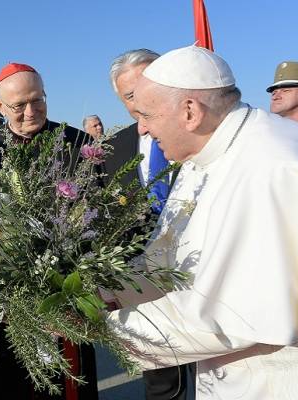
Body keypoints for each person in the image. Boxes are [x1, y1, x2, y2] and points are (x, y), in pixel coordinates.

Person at [107, 44, 298, 399]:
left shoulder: (267, 168)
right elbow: (167, 261)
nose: (144, 129)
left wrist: (99, 327)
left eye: (148, 115)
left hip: (283, 381)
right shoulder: (206, 153)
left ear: (191, 111)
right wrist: (106, 292)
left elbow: (228, 316)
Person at [0, 63, 98, 400]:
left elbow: (94, 211)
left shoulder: (73, 140)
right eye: (19, 105)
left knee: (66, 381)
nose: (30, 111)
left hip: (63, 289)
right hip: (4, 296)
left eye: (38, 100)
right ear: (0, 105)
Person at [104, 48, 188, 399]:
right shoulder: (112, 149)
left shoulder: (197, 133)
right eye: (130, 95)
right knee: (162, 382)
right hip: (142, 287)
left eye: (147, 86)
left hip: (201, 274)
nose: (141, 100)